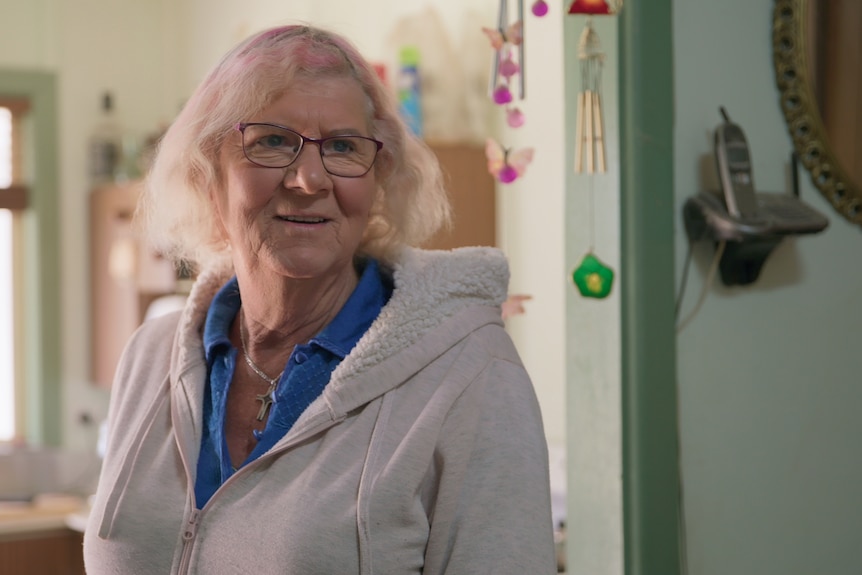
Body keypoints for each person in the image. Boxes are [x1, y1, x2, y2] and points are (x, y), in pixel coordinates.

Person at [84, 24, 556, 574]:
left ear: (378, 179)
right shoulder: (152, 354)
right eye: (271, 141)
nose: (309, 179)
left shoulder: (472, 373)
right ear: (209, 172)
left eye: (342, 147)